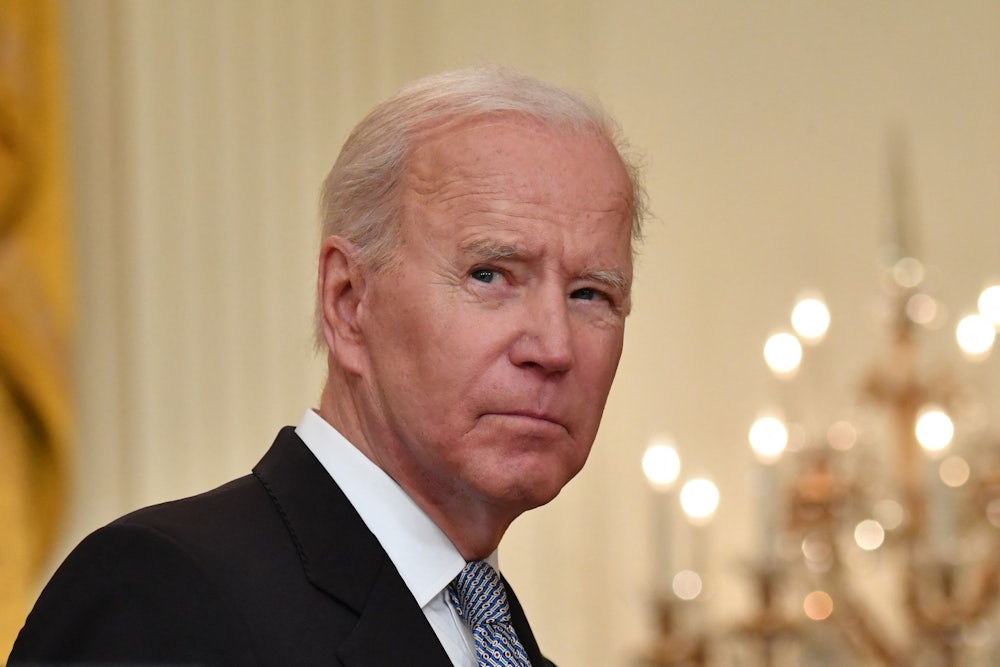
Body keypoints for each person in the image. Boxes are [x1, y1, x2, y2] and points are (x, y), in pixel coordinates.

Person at [9, 66, 645, 666]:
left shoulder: (501, 643)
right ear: (348, 302)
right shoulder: (158, 595)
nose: (554, 348)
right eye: (491, 275)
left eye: (591, 293)